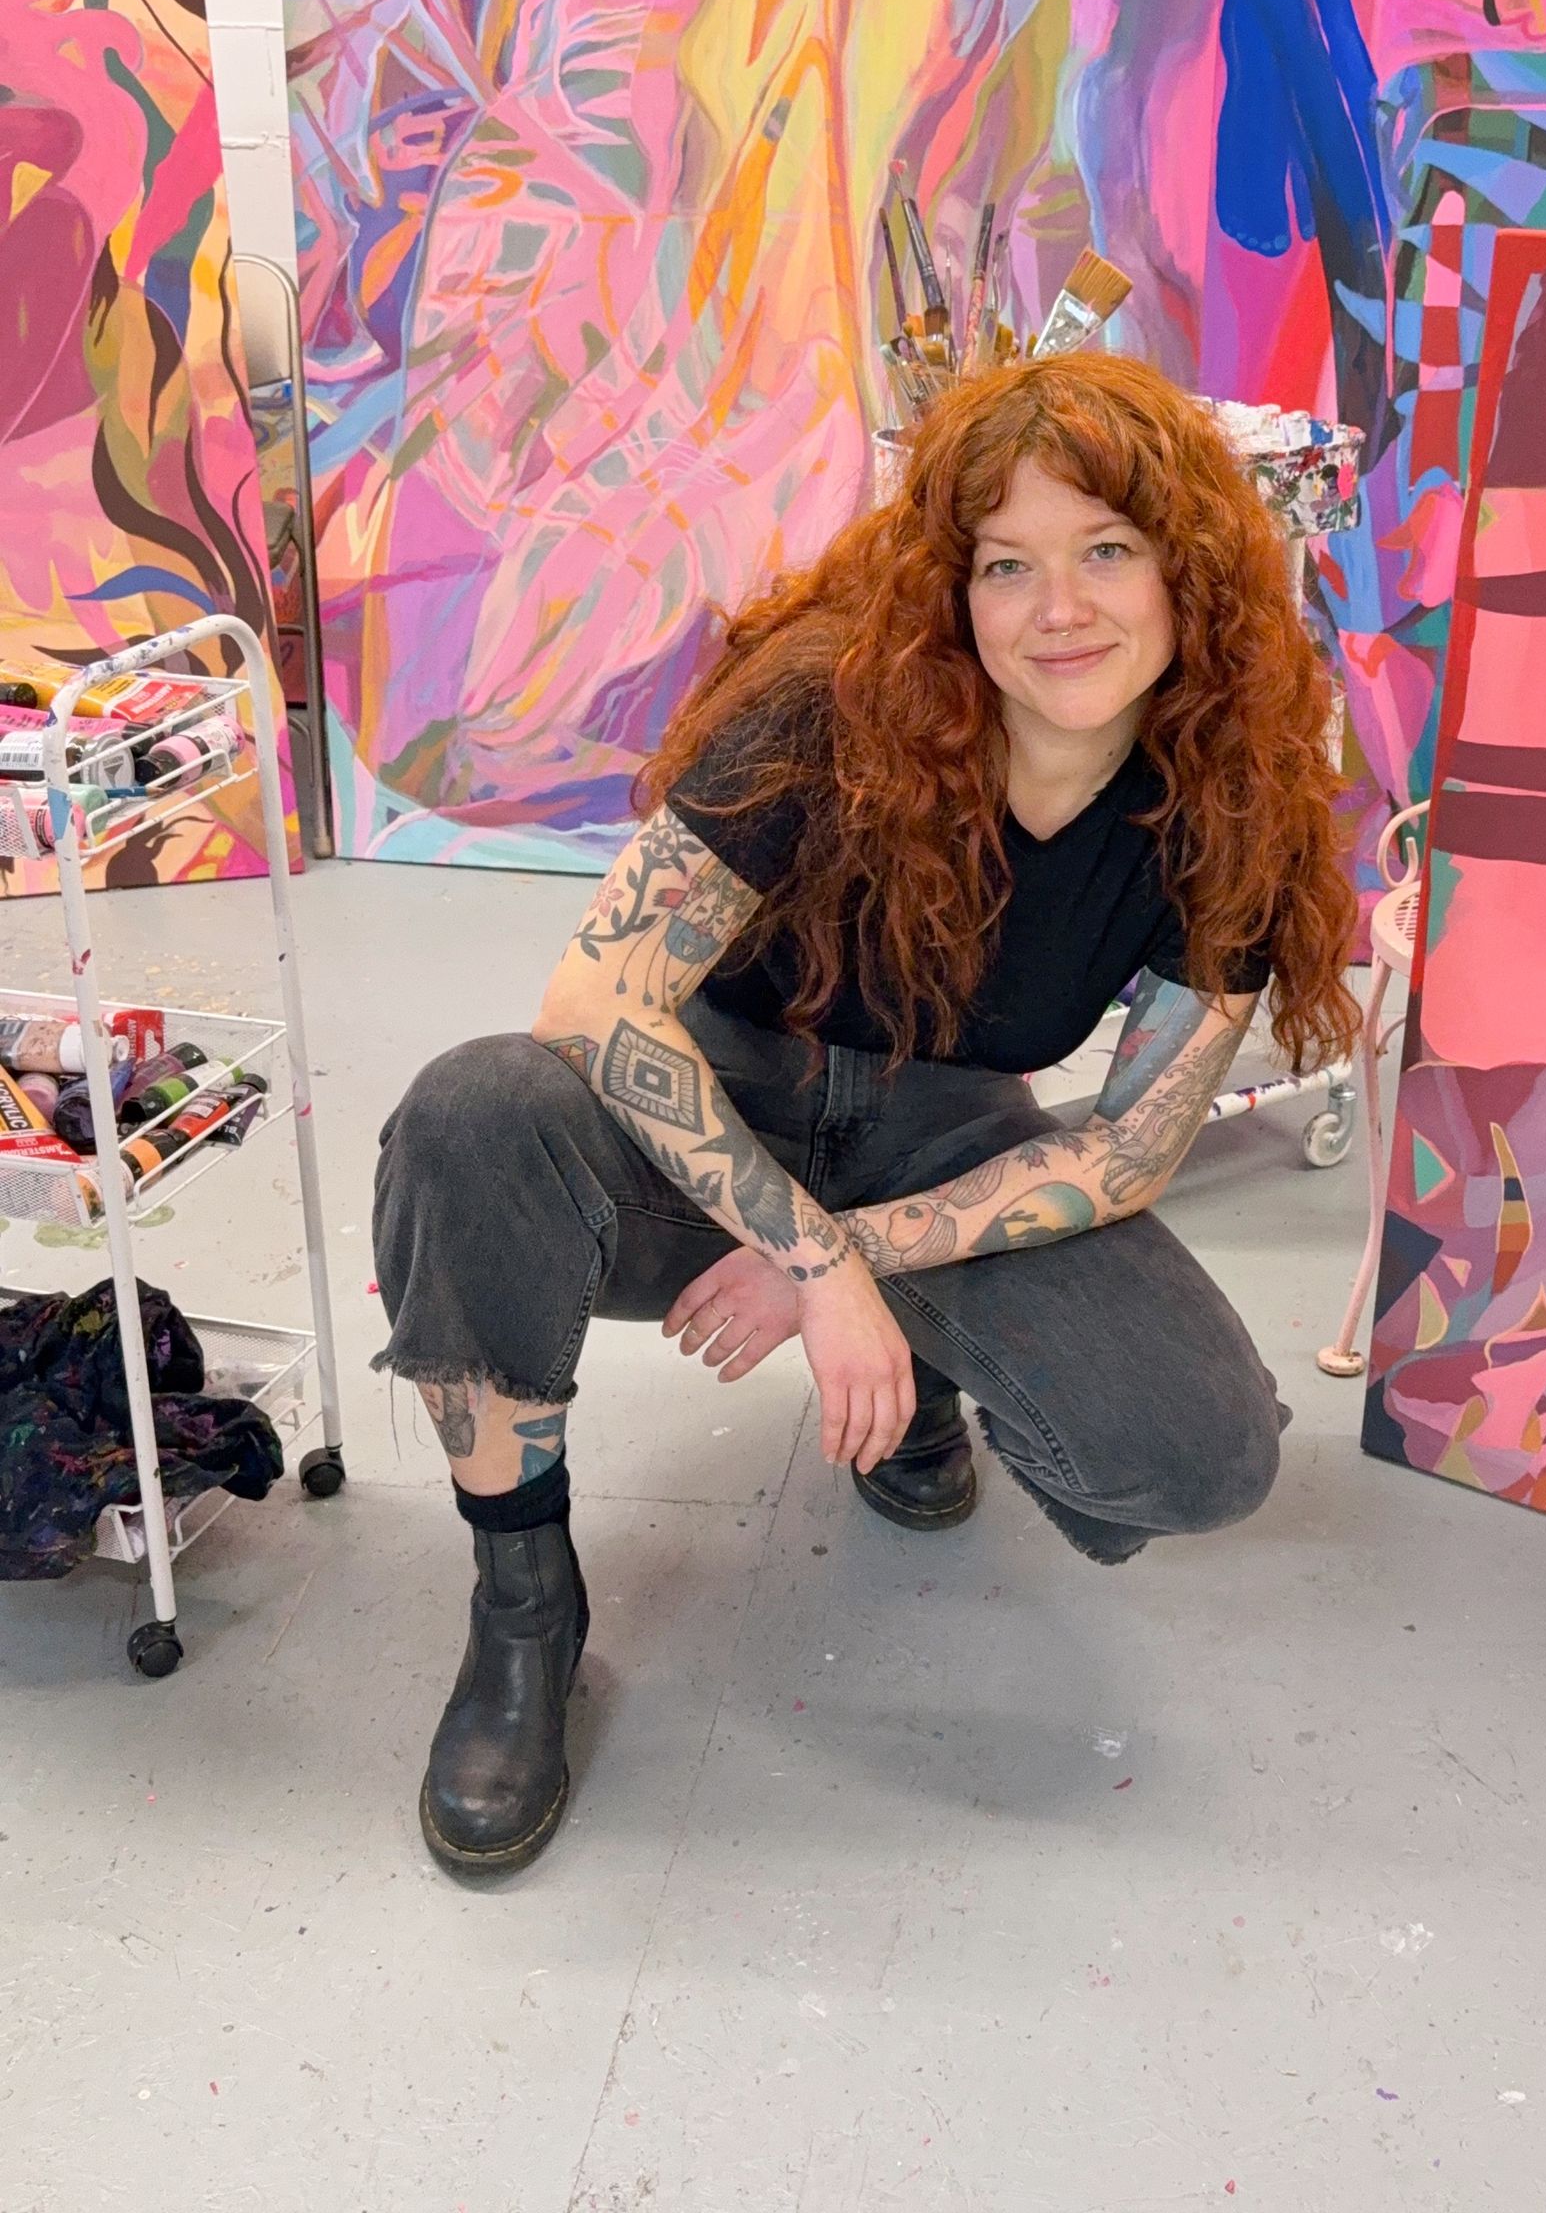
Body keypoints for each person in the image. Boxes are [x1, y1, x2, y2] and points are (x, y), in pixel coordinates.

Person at [372, 354, 1361, 1878]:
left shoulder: (1230, 791)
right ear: (951, 587)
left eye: (1108, 550)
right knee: (475, 1113)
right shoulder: (827, 705)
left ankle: (926, 1383)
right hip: (717, 1088)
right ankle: (524, 1604)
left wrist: (860, 1253)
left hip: (945, 1125)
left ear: (1191, 572)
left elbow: (1132, 1143)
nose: (1061, 609)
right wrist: (818, 1265)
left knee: (1200, 1453)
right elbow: (598, 1005)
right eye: (1007, 565)